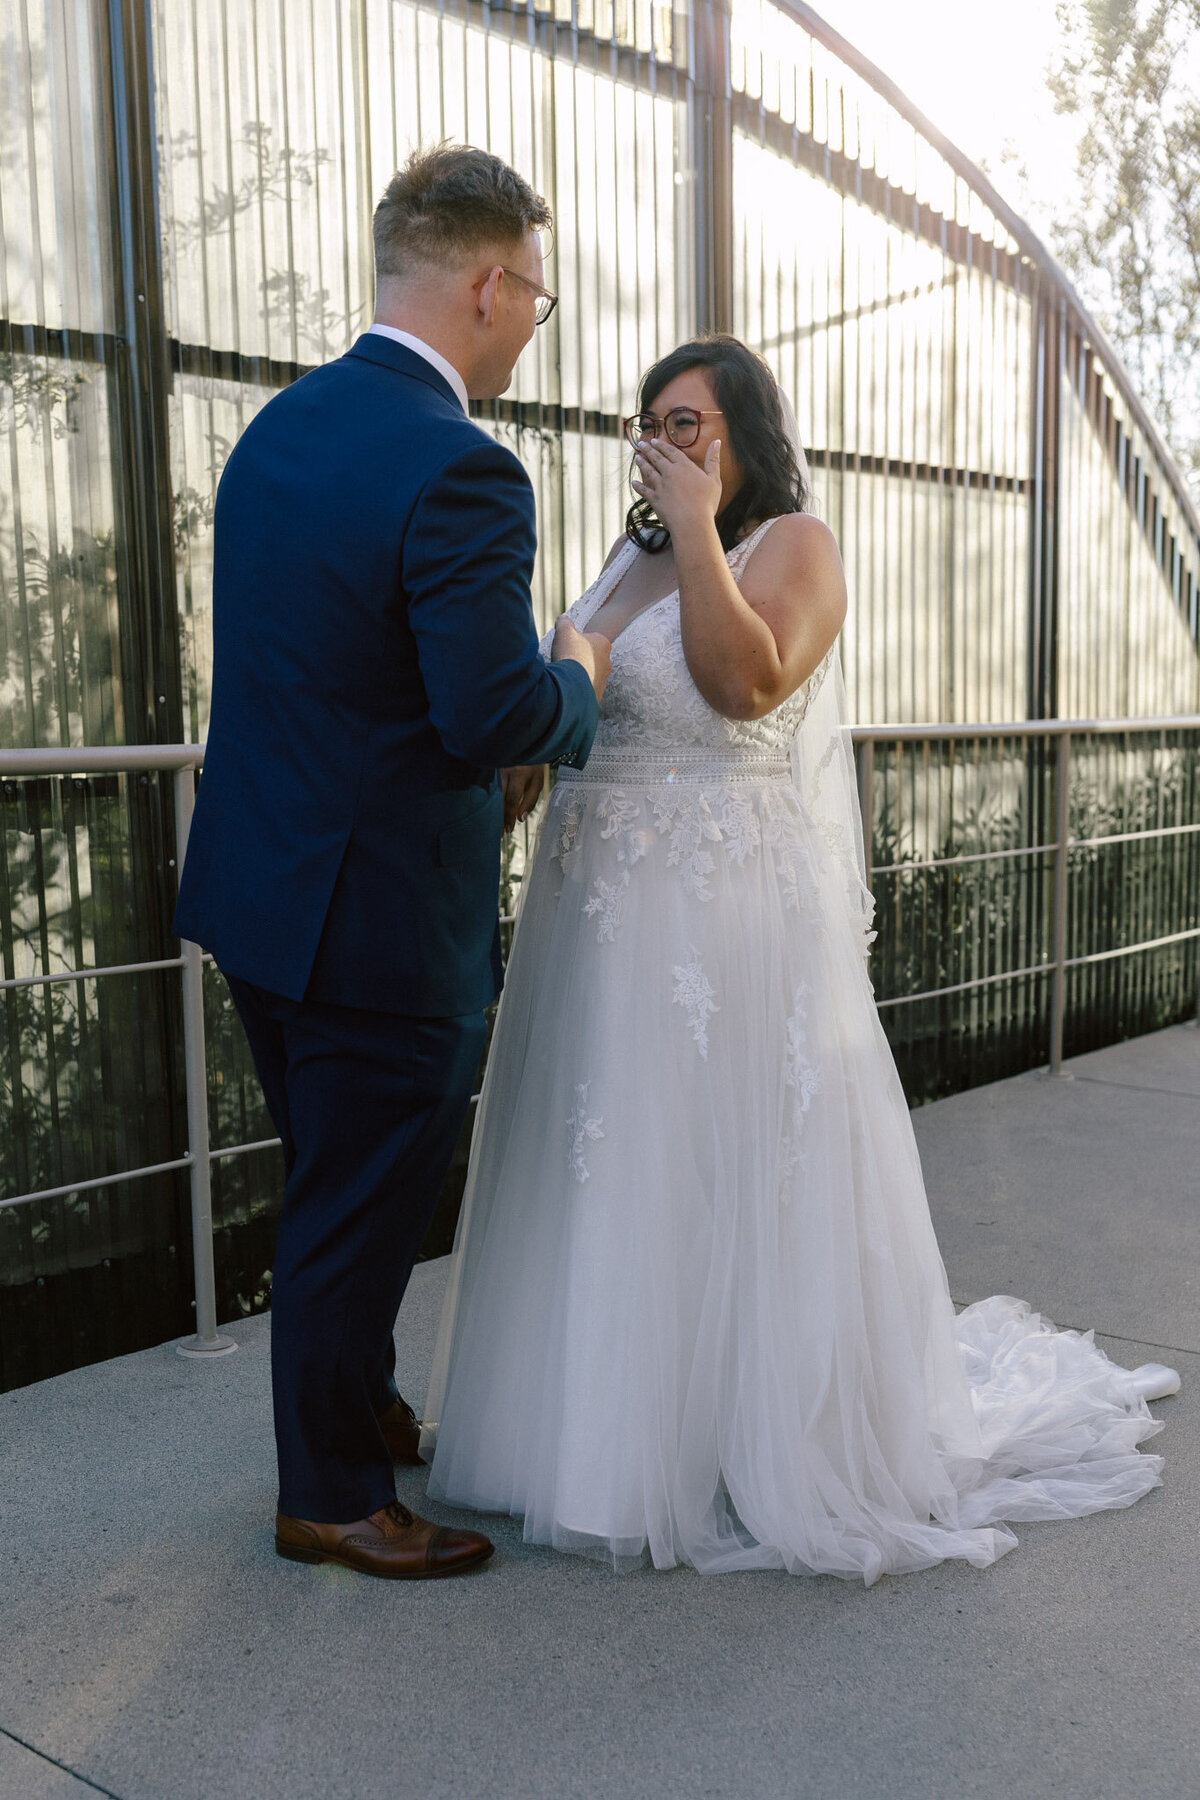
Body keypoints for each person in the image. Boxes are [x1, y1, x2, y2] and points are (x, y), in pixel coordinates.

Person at [421, 333, 1180, 1581]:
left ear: (745, 437)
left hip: (717, 913)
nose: (660, 444)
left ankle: (729, 1438)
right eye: (651, 423)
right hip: (602, 901)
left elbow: (742, 683)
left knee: (711, 1153)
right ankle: (585, 1435)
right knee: (606, 1152)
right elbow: (579, 674)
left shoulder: (794, 546)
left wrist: (702, 531)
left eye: (689, 425)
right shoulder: (631, 553)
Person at [174, 144, 611, 1580]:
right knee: (358, 1204)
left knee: (334, 1183)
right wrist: (580, 682)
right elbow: (489, 711)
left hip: (262, 895)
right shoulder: (464, 469)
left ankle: (356, 1402)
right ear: (490, 284)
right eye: (534, 300)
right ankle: (332, 1493)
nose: (525, 324)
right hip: (383, 924)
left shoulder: (276, 434)